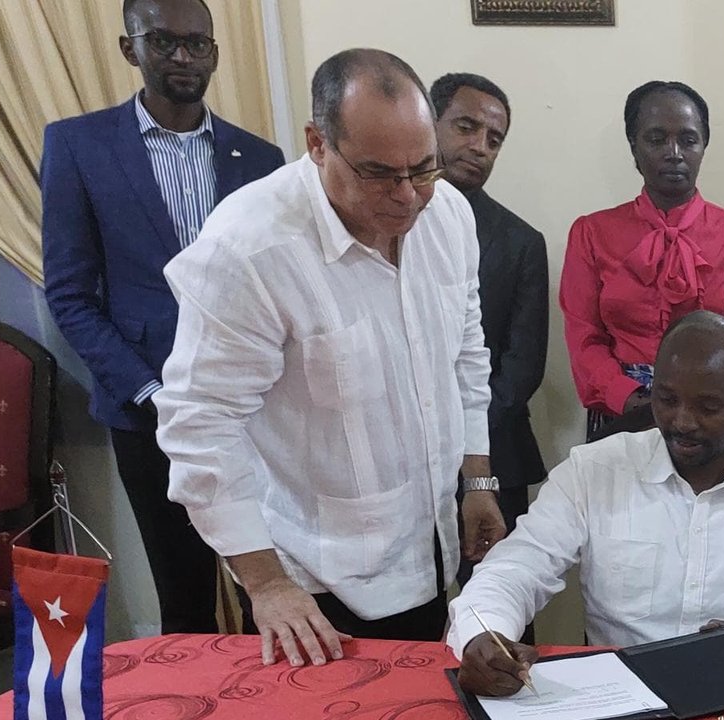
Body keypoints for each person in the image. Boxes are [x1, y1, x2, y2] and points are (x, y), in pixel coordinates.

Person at [156, 48, 506, 667]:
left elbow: (466, 354)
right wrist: (266, 585)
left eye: (423, 168)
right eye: (379, 174)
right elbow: (200, 426)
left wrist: (476, 478)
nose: (408, 196)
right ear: (318, 144)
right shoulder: (249, 249)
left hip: (429, 551)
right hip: (313, 581)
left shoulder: (448, 214)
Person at [453, 312, 724, 695]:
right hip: (623, 708)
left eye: (708, 407)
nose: (682, 421)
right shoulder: (592, 473)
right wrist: (483, 632)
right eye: (666, 399)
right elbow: (514, 571)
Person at [40, 0, 283, 635]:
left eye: (197, 44)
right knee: (184, 598)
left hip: (254, 411)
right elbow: (70, 296)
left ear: (215, 53)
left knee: (274, 591)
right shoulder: (79, 145)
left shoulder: (261, 159)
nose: (183, 57)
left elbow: (280, 286)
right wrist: (150, 391)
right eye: (164, 42)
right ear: (131, 48)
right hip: (145, 409)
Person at [561, 80, 724, 441]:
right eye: (657, 139)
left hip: (709, 413)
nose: (674, 153)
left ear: (704, 146)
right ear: (634, 146)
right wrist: (627, 398)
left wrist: (699, 405)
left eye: (688, 140)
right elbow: (584, 337)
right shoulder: (591, 233)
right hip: (619, 411)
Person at [431, 72, 548, 561]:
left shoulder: (521, 242)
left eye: (494, 139)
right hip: (399, 463)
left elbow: (523, 368)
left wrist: (460, 431)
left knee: (500, 598)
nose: (480, 147)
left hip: (497, 453)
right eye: (466, 127)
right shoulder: (383, 223)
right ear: (430, 122)